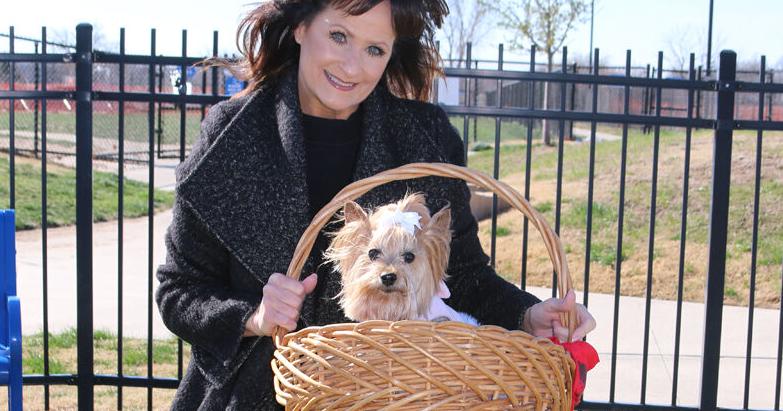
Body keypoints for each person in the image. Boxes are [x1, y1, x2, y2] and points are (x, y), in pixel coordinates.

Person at [155, 0, 597, 409]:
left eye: (374, 49)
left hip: (387, 395)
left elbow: (463, 277)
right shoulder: (232, 138)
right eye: (339, 36)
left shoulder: (426, 141)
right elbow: (180, 290)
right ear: (301, 26)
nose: (352, 67)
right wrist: (255, 315)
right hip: (251, 396)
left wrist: (526, 314)